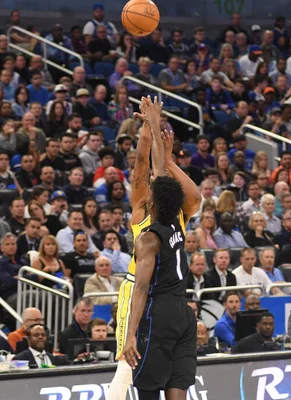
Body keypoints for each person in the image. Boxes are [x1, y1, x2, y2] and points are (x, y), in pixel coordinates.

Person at [108, 97, 201, 400]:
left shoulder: (174, 211)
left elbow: (157, 171)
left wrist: (154, 128)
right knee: (126, 364)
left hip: (156, 298)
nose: (147, 184)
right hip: (141, 290)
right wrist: (149, 129)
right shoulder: (156, 215)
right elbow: (145, 166)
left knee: (138, 367)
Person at [121, 174, 196, 400]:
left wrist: (130, 333)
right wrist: (161, 145)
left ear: (153, 203)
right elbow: (163, 178)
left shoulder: (149, 240)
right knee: (177, 386)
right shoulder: (177, 223)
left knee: (148, 387)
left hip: (159, 314)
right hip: (184, 313)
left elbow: (141, 288)